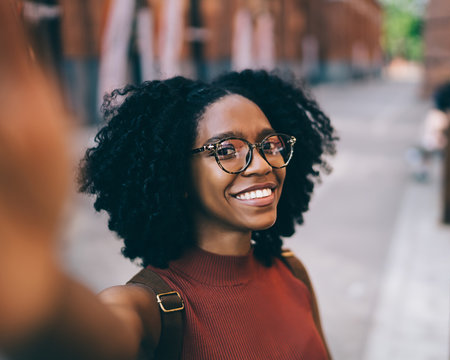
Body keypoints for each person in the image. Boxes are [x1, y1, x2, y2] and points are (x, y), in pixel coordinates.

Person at [0, 5, 336, 357]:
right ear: (179, 174)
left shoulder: (292, 271)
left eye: (269, 144)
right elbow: (90, 337)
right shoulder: (150, 308)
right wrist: (27, 267)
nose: (261, 164)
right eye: (227, 149)